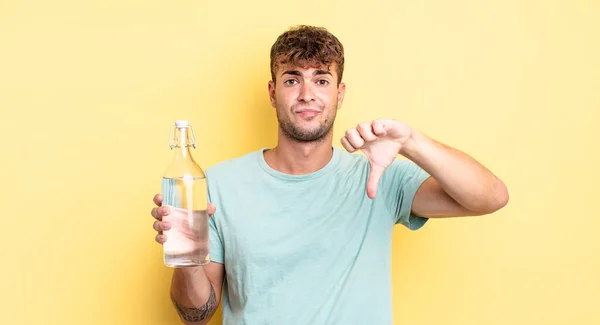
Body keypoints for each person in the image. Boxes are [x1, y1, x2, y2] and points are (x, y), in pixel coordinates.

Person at [150, 25, 509, 325]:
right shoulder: (217, 185)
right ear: (273, 93)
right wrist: (188, 260)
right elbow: (195, 314)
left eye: (321, 81)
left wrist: (410, 142)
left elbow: (490, 197)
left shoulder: (379, 175)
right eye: (292, 81)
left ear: (340, 94)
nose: (307, 94)